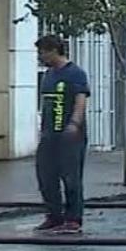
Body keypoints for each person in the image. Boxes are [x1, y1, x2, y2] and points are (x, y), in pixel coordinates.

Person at [35, 35, 90, 234]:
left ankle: (73, 219)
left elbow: (81, 100)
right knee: (46, 176)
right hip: (49, 134)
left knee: (71, 177)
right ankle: (54, 216)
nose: (40, 56)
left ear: (53, 51)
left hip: (70, 136)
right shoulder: (49, 74)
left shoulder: (75, 73)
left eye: (42, 52)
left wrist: (74, 124)